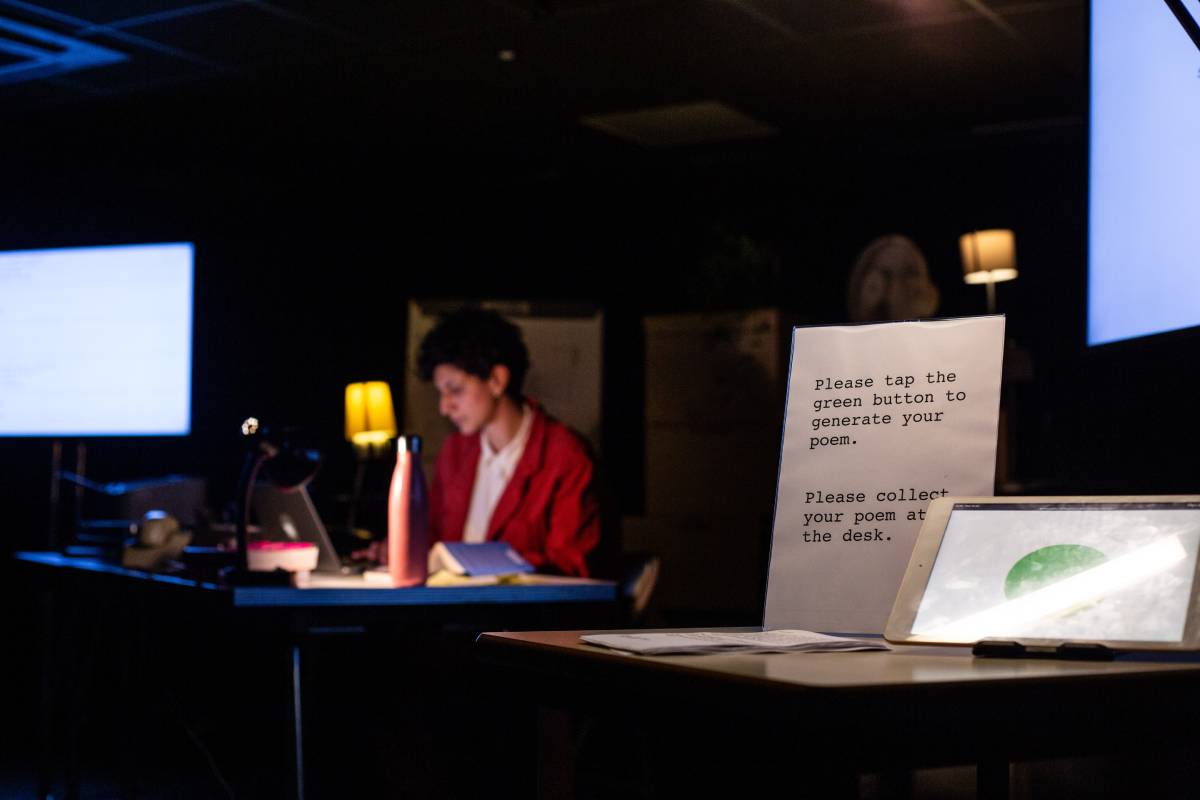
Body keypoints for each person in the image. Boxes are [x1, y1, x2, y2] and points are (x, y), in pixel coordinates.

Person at [416, 307, 600, 577]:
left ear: (496, 380)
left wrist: (488, 563)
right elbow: (433, 539)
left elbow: (574, 564)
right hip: (453, 613)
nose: (444, 407)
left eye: (455, 390)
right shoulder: (454, 452)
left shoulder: (566, 456)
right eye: (440, 393)